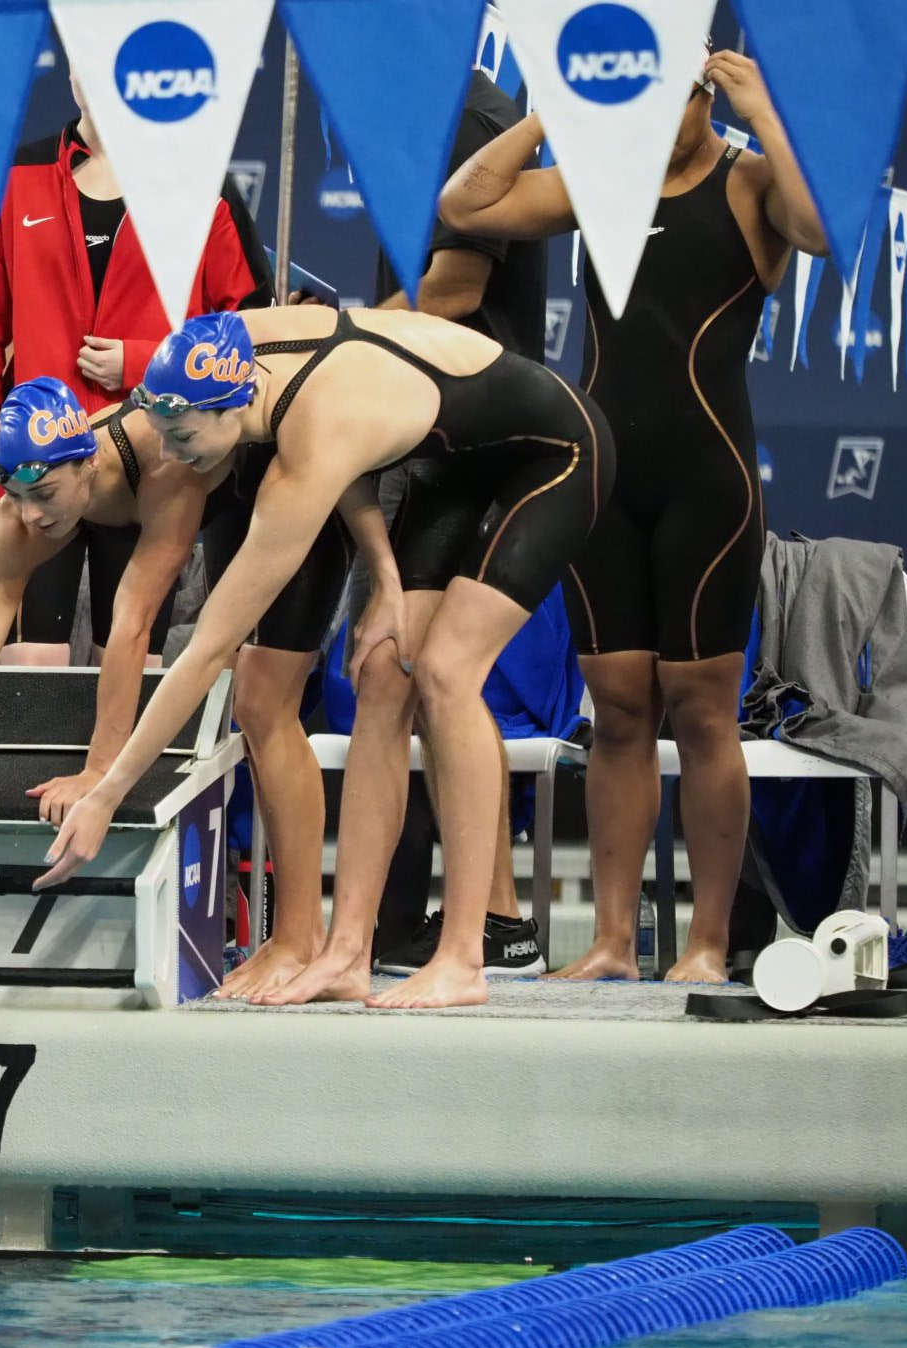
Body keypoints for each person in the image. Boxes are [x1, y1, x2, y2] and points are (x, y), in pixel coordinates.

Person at [40, 308, 611, 1011]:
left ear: (235, 403)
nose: (173, 454)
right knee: (380, 677)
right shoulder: (238, 345)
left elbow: (208, 648)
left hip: (550, 453)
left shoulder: (300, 456)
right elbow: (356, 441)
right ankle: (348, 953)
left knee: (444, 674)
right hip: (448, 463)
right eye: (164, 432)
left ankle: (465, 954)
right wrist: (389, 583)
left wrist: (107, 794)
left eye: (185, 437)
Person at [438, 47, 825, 984]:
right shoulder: (600, 183)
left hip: (709, 481)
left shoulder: (752, 183)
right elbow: (467, 206)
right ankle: (614, 942)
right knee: (615, 712)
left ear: (705, 99)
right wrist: (552, 117)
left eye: (672, 102)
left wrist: (764, 107)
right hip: (604, 477)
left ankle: (703, 943)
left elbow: (818, 230)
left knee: (701, 714)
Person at [0, 374, 380, 997]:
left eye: (43, 493)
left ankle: (301, 938)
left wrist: (99, 774)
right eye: (17, 496)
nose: (32, 514)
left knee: (263, 701)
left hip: (284, 483)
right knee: (249, 698)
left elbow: (132, 628)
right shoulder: (20, 514)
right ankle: (293, 940)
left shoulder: (162, 468)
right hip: (226, 504)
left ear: (86, 463)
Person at [0, 70, 271, 667]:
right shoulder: (14, 178)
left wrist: (149, 363)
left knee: (127, 661)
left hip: (152, 466)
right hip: (41, 466)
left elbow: (250, 332)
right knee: (31, 674)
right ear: (72, 72)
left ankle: (112, 767)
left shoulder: (199, 185)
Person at [369, 66, 551, 977]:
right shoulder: (409, 108)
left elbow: (451, 295)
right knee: (409, 678)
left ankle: (494, 918)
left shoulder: (473, 112)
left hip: (479, 432)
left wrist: (342, 339)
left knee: (441, 673)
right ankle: (476, 916)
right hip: (432, 426)